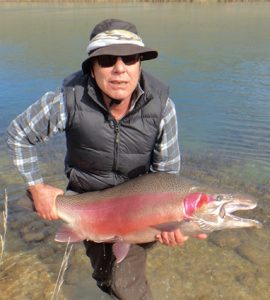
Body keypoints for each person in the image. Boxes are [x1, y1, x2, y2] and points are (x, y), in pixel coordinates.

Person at [7, 19, 204, 300]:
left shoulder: (162, 107)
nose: (120, 69)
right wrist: (37, 187)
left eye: (130, 58)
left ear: (140, 63)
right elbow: (19, 134)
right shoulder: (66, 101)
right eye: (108, 60)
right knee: (105, 278)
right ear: (92, 67)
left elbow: (168, 179)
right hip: (88, 206)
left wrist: (174, 224)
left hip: (139, 212)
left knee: (126, 284)